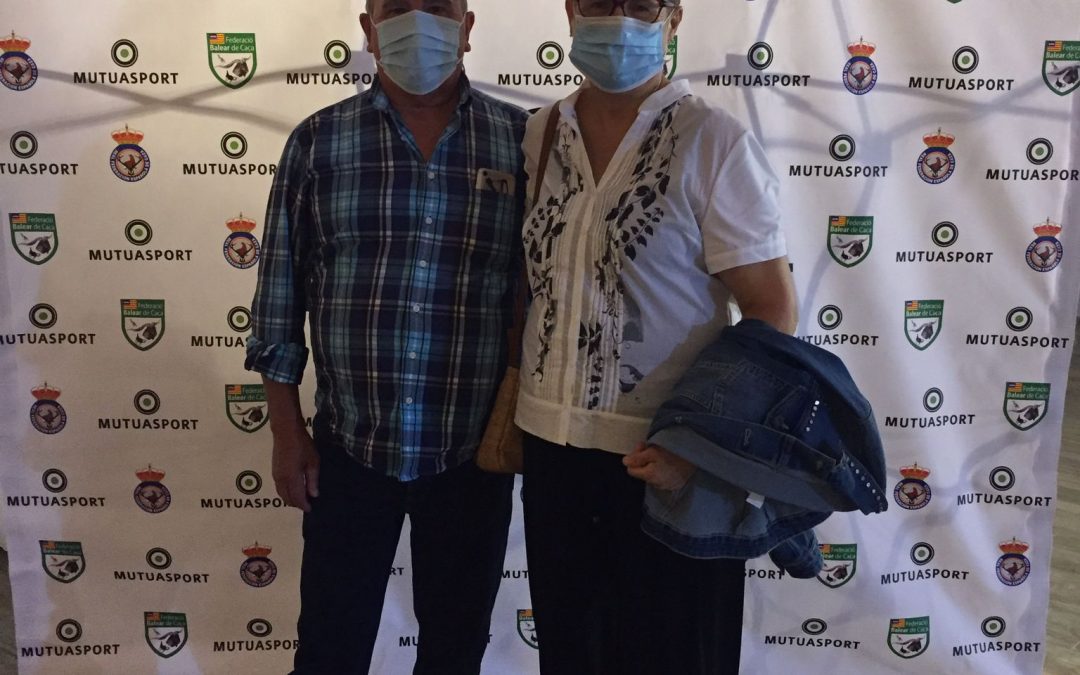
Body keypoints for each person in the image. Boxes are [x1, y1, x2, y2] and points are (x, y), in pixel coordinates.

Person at [516, 1, 799, 673]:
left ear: (673, 18)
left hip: (671, 467)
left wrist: (696, 446)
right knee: (571, 656)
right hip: (554, 459)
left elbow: (772, 308)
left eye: (641, 2)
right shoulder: (540, 133)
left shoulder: (713, 140)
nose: (619, 17)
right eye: (598, 1)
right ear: (570, 11)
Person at [246, 1, 527, 673]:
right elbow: (279, 298)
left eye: (439, 7)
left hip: (471, 453)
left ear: (467, 27)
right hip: (349, 449)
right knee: (329, 649)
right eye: (397, 7)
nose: (418, 21)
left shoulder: (524, 142)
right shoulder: (318, 142)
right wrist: (287, 433)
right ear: (369, 29)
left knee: (455, 650)